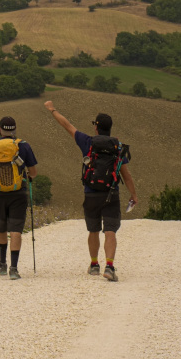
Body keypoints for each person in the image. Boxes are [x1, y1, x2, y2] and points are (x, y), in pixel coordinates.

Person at [44, 100, 138, 282]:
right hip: (111, 193)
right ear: (110, 128)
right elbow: (126, 176)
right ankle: (109, 266)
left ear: (96, 127)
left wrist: (52, 109)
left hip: (91, 193)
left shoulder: (87, 142)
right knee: (110, 231)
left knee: (93, 230)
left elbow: (67, 125)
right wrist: (133, 195)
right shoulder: (118, 147)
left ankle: (94, 264)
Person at [0, 116, 38, 279]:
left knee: (1, 227)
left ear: (0, 129)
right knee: (16, 230)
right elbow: (33, 173)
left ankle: (3, 264)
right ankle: (14, 268)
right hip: (18, 193)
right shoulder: (23, 146)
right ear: (14, 130)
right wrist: (26, 176)